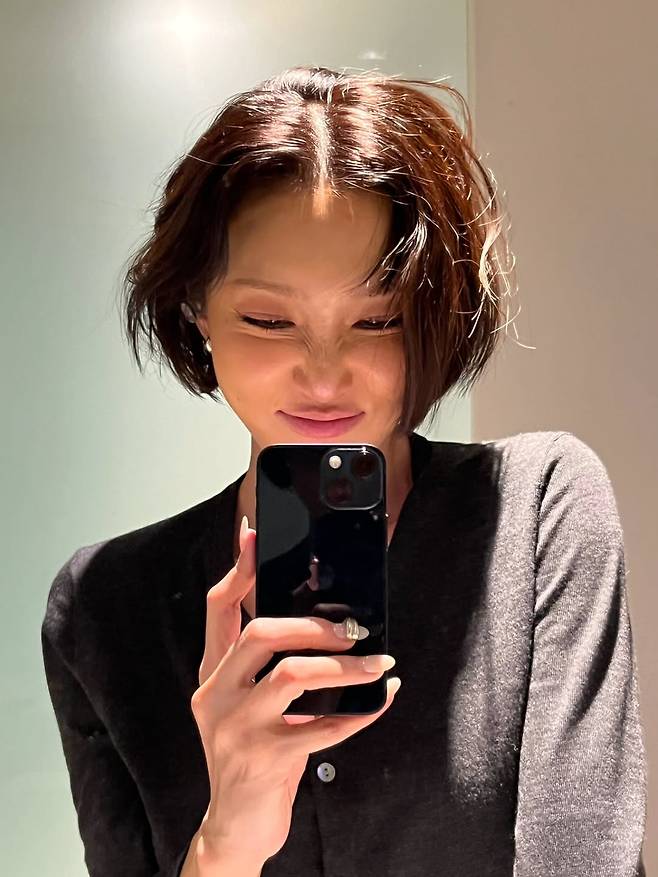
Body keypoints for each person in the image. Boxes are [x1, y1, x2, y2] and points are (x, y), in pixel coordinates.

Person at [40, 66, 647, 876]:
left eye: (380, 319)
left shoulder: (535, 511)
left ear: (434, 313)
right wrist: (225, 843)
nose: (324, 376)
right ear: (197, 310)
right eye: (267, 318)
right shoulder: (105, 609)